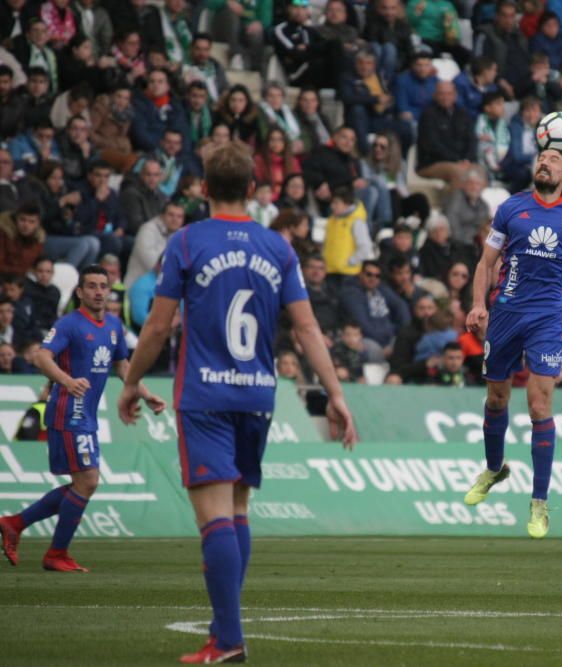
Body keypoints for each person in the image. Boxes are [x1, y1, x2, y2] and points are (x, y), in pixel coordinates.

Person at [116, 142, 357, 663]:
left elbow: (158, 325)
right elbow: (307, 326)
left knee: (214, 517)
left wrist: (132, 381)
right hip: (257, 395)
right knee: (239, 507)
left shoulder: (185, 242)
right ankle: (224, 625)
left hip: (204, 393)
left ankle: (227, 638)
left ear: (203, 188)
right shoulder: (278, 247)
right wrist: (334, 393)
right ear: (252, 189)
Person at [463, 147, 562, 539]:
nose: (543, 163)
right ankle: (495, 468)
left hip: (548, 317)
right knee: (497, 399)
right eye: (541, 157)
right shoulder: (511, 208)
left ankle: (539, 501)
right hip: (506, 313)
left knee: (538, 404)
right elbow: (486, 262)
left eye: (553, 160)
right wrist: (479, 303)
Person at [0, 265, 165, 572]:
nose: (99, 291)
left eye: (103, 286)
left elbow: (123, 367)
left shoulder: (114, 325)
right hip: (67, 411)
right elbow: (40, 356)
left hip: (86, 415)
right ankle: (54, 553)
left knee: (82, 483)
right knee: (87, 481)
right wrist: (66, 380)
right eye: (91, 286)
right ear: (79, 292)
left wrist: (144, 393)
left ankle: (15, 524)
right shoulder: (69, 324)